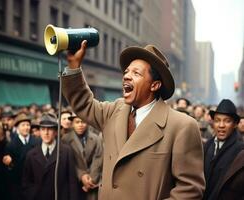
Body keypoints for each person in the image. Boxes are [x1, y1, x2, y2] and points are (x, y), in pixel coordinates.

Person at [62, 41, 205, 199]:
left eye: (136, 73)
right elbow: (84, 104)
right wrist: (74, 66)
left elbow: (190, 189)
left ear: (155, 85)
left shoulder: (182, 126)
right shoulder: (113, 110)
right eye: (127, 71)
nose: (127, 76)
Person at [22, 113, 78, 200]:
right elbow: (26, 182)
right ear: (39, 132)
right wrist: (33, 194)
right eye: (43, 129)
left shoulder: (66, 151)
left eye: (50, 129)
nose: (46, 133)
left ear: (56, 131)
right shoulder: (31, 154)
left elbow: (72, 182)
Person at [203, 99, 244, 200]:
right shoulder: (207, 146)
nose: (221, 125)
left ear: (234, 124)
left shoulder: (241, 151)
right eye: (217, 120)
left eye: (227, 121)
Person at [62, 114, 103, 200]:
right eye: (77, 122)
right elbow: (68, 162)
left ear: (87, 123)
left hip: (92, 182)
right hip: (74, 180)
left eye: (83, 122)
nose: (80, 125)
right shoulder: (65, 139)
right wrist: (81, 175)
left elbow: (98, 159)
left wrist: (91, 179)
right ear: (73, 123)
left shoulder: (96, 139)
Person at [2, 113, 40, 200]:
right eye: (23, 125)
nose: (26, 127)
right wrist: (9, 164)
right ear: (17, 127)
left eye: (28, 125)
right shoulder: (10, 145)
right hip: (18, 183)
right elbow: (9, 169)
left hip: (34, 181)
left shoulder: (37, 142)